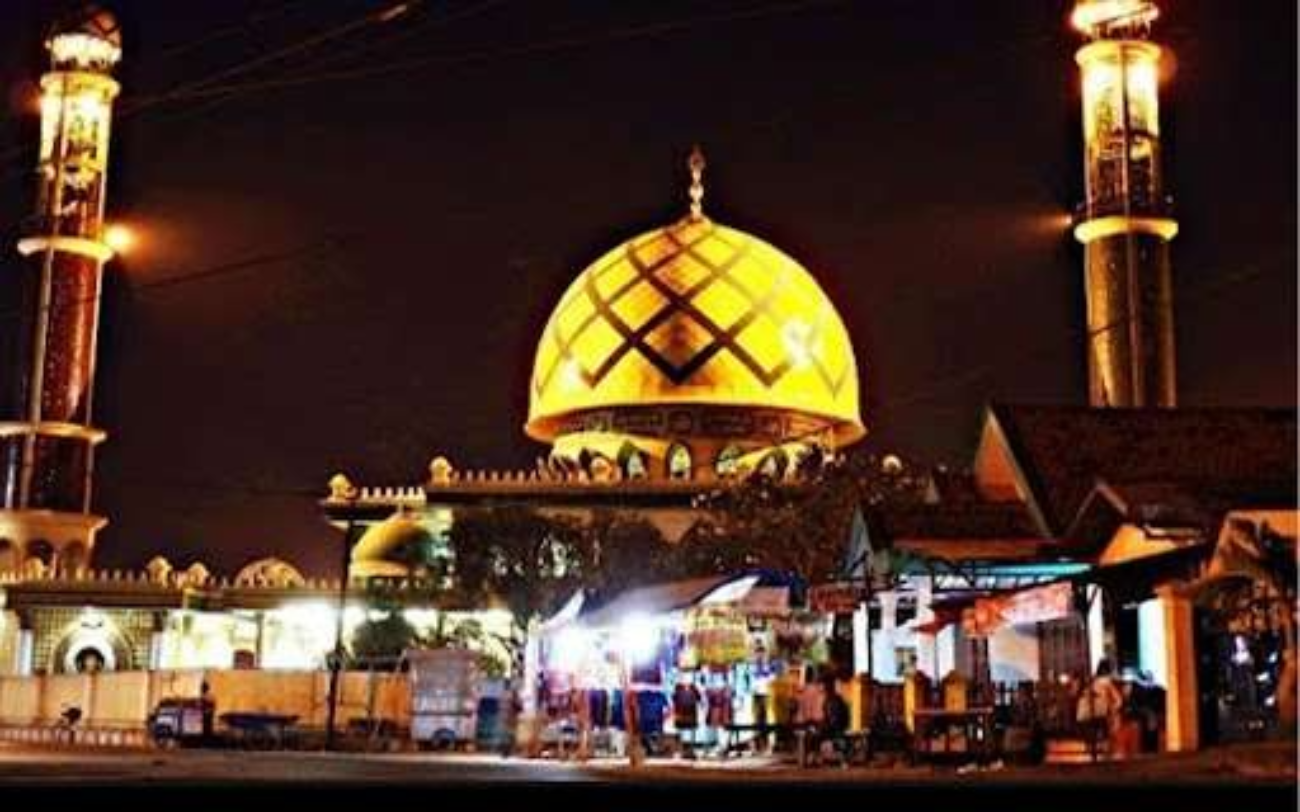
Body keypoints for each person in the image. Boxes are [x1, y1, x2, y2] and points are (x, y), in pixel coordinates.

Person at [1076, 659, 1124, 760]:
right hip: (1103, 712)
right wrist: (1114, 708)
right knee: (1106, 733)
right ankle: (1106, 753)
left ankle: (1094, 750)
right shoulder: (1107, 682)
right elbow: (1118, 699)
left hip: (1089, 712)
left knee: (1096, 733)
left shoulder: (1092, 681)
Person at [672, 676, 702, 758]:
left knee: (689, 731)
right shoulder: (678, 689)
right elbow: (674, 699)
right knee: (683, 731)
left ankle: (689, 750)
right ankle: (683, 750)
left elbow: (699, 699)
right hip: (683, 714)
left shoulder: (693, 689)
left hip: (689, 713)